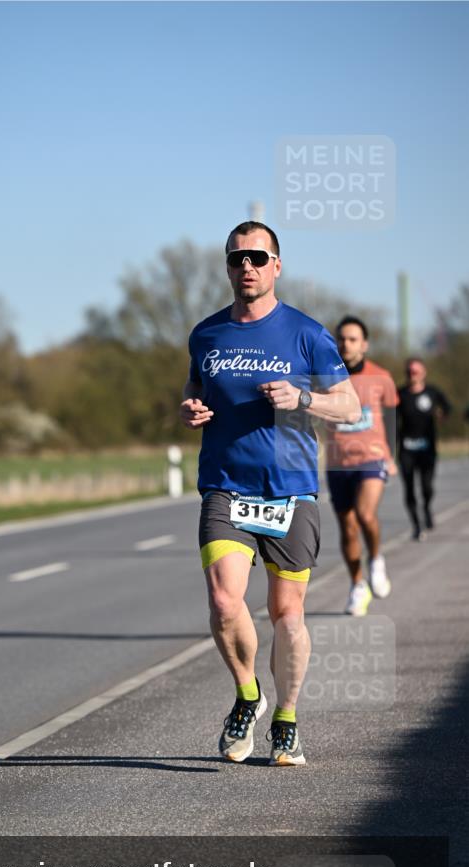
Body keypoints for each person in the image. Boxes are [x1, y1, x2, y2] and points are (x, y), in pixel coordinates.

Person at [180, 221, 360, 766]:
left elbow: (349, 407)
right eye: (237, 259)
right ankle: (247, 695)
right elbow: (195, 382)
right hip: (226, 486)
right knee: (223, 599)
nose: (247, 267)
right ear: (228, 267)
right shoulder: (206, 334)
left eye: (258, 258)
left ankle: (286, 717)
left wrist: (302, 398)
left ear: (277, 265)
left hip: (290, 491)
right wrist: (191, 405)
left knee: (287, 615)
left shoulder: (307, 334)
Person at [324, 317, 399, 617]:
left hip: (372, 458)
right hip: (338, 462)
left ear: (364, 344)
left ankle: (376, 559)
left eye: (353, 339)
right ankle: (357, 585)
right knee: (347, 526)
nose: (346, 344)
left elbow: (392, 420)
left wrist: (391, 455)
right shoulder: (326, 377)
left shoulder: (381, 377)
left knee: (366, 514)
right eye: (342, 338)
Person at [397, 357, 451, 540]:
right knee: (409, 489)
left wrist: (443, 415)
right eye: (410, 372)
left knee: (427, 487)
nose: (413, 375)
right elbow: (392, 420)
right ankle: (416, 525)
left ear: (424, 373)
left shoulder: (432, 392)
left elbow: (447, 407)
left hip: (427, 449)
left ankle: (427, 508)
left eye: (416, 371)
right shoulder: (401, 394)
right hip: (406, 449)